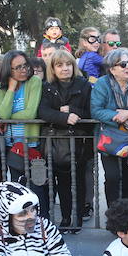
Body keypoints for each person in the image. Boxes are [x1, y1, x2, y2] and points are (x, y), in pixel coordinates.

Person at [38, 49, 92, 231]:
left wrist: (73, 111)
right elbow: (43, 111)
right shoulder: (47, 86)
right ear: (53, 68)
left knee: (78, 181)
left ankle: (77, 219)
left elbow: (91, 111)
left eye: (68, 64)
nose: (64, 68)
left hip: (79, 141)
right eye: (59, 65)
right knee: (62, 182)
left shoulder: (84, 85)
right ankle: (66, 217)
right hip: (55, 141)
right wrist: (62, 117)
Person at [90, 47, 128, 206]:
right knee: (112, 177)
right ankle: (113, 212)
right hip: (110, 136)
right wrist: (117, 117)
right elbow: (96, 111)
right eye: (123, 64)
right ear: (112, 69)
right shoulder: (102, 84)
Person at [0, 50, 48, 216]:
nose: (23, 70)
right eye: (17, 67)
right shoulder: (1, 87)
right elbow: (2, 114)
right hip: (12, 145)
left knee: (37, 186)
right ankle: (22, 223)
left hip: (32, 144)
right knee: (18, 187)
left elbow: (30, 113)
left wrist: (8, 118)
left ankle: (42, 222)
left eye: (25, 65)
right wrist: (11, 89)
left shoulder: (34, 82)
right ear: (8, 70)